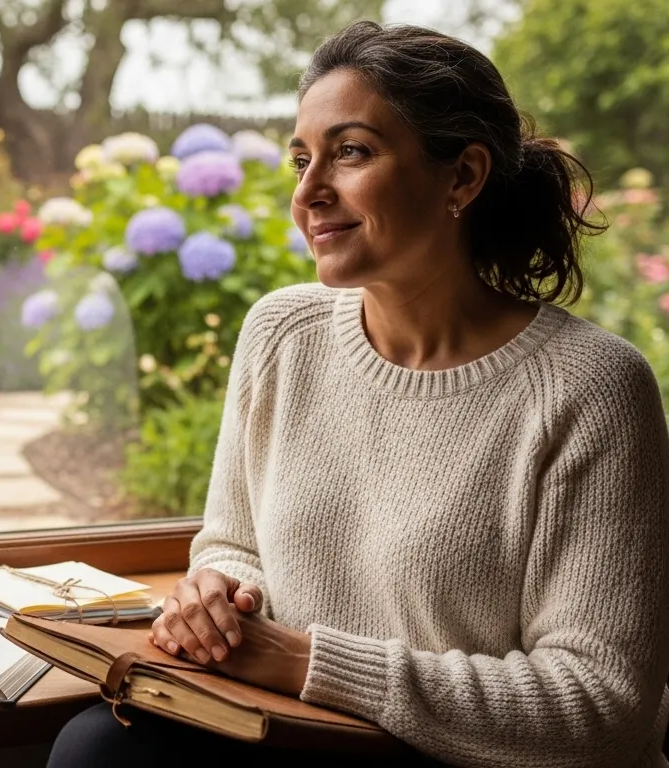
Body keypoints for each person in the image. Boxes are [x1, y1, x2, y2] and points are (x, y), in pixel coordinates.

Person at [48, 20, 669, 768]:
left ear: (462, 178)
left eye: (350, 153)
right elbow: (235, 543)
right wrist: (218, 597)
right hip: (296, 730)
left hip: (471, 757)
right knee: (97, 750)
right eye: (301, 159)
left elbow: (602, 702)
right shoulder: (282, 333)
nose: (308, 193)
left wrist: (309, 661)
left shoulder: (589, 389)